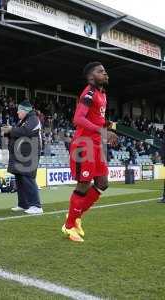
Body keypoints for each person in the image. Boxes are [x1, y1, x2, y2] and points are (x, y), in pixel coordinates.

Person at [62, 62, 117, 242]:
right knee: (84, 184)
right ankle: (70, 225)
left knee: (102, 183)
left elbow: (96, 117)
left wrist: (107, 126)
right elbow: (78, 118)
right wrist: (101, 130)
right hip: (84, 145)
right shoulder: (90, 92)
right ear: (91, 77)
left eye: (105, 70)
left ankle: (74, 217)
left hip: (96, 145)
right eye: (100, 71)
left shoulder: (102, 94)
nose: (105, 73)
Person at [2, 100, 43, 214]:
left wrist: (11, 129)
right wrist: (7, 132)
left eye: (19, 111)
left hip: (31, 154)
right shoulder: (23, 121)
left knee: (28, 178)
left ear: (25, 111)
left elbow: (26, 131)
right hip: (22, 154)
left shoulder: (33, 119)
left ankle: (36, 205)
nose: (17, 113)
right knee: (20, 178)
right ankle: (23, 204)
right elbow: (18, 133)